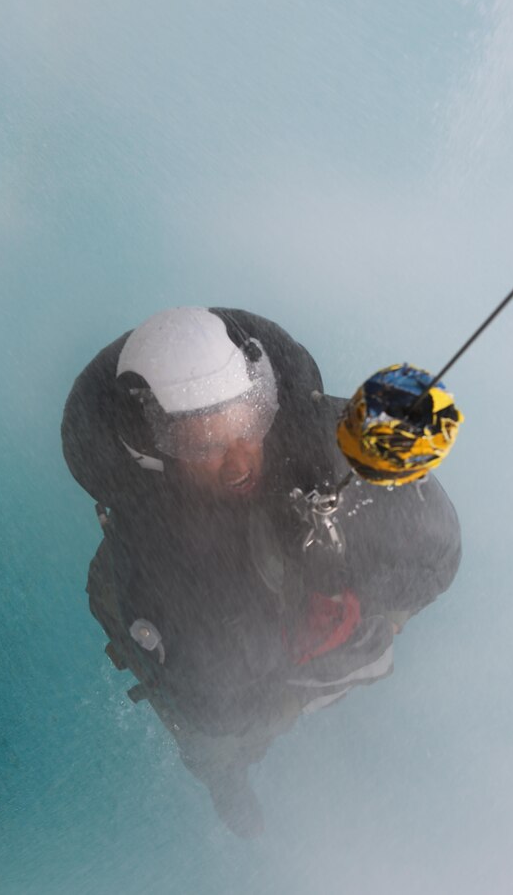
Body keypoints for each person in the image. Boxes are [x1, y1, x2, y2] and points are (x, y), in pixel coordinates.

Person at [62, 306, 461, 837]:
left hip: (291, 567)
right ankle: (226, 785)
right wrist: (299, 681)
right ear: (157, 450)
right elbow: (208, 702)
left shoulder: (301, 428)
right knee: (214, 733)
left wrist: (377, 613)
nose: (239, 462)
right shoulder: (150, 547)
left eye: (249, 421)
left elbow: (433, 543)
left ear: (263, 396)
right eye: (202, 446)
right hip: (203, 641)